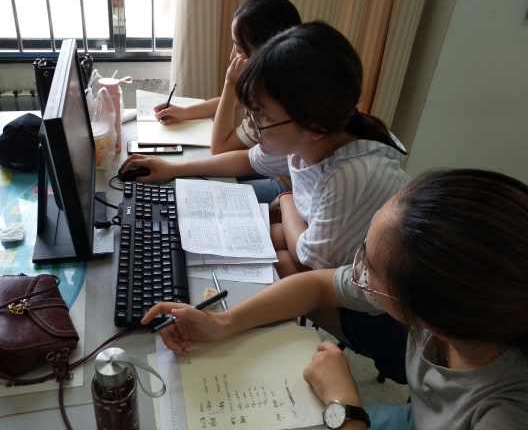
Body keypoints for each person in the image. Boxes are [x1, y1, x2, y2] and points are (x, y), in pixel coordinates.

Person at [143, 168, 528, 429]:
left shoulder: (505, 413)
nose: (357, 269)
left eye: (369, 267)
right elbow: (316, 286)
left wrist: (344, 406)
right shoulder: (459, 308)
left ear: (435, 323)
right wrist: (223, 322)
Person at [121, 21, 410, 279]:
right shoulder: (307, 141)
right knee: (254, 239)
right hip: (325, 247)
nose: (250, 125)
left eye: (262, 117)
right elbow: (246, 161)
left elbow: (309, 262)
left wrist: (287, 199)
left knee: (277, 258)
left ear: (314, 126)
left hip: (370, 296)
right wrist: (173, 169)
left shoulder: (349, 175)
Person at [154, 0, 302, 202]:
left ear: (266, 53)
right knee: (197, 179)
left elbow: (220, 148)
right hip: (268, 166)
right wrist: (185, 112)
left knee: (206, 192)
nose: (231, 56)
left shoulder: (277, 105)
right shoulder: (274, 78)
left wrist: (230, 84)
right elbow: (233, 104)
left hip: (288, 185)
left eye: (239, 49)